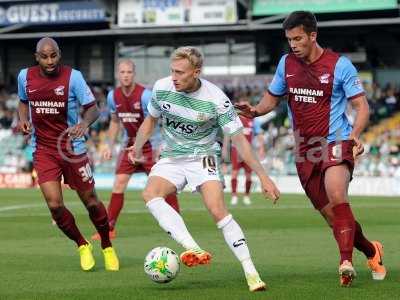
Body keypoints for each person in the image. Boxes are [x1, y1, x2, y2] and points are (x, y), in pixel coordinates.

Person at [235, 11, 386, 287]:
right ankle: (370, 250)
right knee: (333, 218)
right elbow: (271, 99)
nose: (293, 44)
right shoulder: (286, 64)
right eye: (289, 39)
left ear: (312, 35)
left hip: (336, 140)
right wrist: (255, 111)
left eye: (298, 38)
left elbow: (361, 106)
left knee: (337, 192)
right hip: (305, 150)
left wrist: (353, 136)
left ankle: (345, 262)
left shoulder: (339, 65)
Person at [128, 46, 280, 292]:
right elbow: (151, 120)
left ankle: (251, 272)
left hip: (203, 157)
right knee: (150, 194)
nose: (174, 77)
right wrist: (136, 147)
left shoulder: (217, 100)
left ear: (196, 72)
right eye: (172, 71)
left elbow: (240, 141)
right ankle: (193, 248)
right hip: (172, 157)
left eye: (180, 72)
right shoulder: (161, 88)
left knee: (218, 210)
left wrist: (264, 177)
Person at [17, 37, 119, 272]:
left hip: (73, 150)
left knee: (91, 202)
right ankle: (82, 245)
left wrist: (84, 124)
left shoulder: (73, 77)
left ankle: (106, 245)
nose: (50, 60)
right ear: (37, 57)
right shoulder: (25, 76)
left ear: (59, 55)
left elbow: (93, 108)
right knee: (54, 205)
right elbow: (23, 102)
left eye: (53, 55)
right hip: (43, 149)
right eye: (44, 56)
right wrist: (23, 120)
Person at [91, 59, 180, 241]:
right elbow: (115, 122)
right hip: (128, 145)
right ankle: (109, 229)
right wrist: (109, 144)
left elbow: (154, 122)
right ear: (118, 74)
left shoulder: (145, 95)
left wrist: (146, 147)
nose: (125, 75)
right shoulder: (112, 96)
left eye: (129, 72)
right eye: (122, 72)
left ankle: (177, 225)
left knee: (164, 187)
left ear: (134, 74)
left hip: (151, 147)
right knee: (119, 184)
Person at [223, 99, 265, 205]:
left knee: (248, 175)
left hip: (248, 151)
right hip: (236, 150)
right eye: (240, 106)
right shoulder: (233, 119)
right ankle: (234, 195)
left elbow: (259, 134)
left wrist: (261, 148)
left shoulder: (253, 120)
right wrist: (225, 147)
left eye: (244, 106)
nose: (242, 108)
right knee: (234, 173)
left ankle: (246, 196)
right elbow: (228, 134)